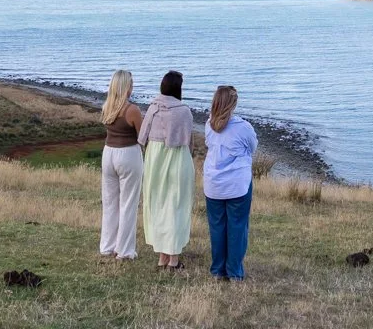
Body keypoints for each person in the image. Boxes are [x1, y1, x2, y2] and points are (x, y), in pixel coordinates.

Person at [139, 70, 195, 271]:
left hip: (155, 159)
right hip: (176, 158)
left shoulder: (153, 108)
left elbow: (142, 136)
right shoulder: (184, 111)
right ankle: (172, 258)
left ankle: (163, 256)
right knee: (176, 205)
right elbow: (188, 140)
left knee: (158, 204)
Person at [203, 85, 258, 282]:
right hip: (237, 185)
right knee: (237, 227)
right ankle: (234, 271)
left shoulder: (209, 124)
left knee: (217, 227)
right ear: (233, 104)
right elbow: (252, 147)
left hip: (214, 184)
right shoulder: (243, 127)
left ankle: (218, 269)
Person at [98, 69, 144, 261]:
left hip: (108, 153)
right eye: (131, 84)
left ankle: (107, 246)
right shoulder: (132, 110)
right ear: (127, 86)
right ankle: (124, 250)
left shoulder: (107, 106)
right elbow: (143, 137)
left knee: (110, 202)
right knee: (128, 203)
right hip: (128, 154)